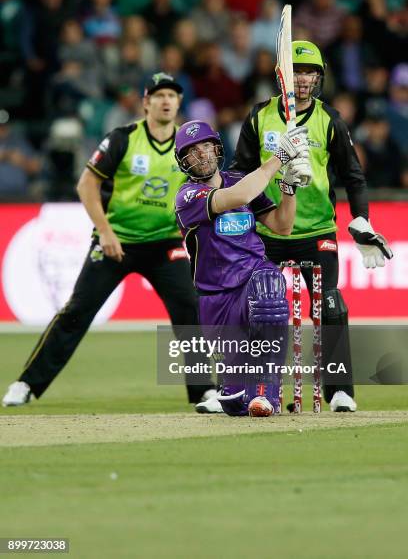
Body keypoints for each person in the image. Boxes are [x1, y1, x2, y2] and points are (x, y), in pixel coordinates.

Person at [198, 39, 392, 414]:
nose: (303, 80)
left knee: (330, 305)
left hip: (316, 230)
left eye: (310, 73)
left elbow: (353, 175)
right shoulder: (259, 116)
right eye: (296, 72)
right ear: (282, 77)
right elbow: (237, 171)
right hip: (268, 230)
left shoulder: (328, 119)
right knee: (247, 309)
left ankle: (340, 390)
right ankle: (234, 391)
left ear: (319, 78)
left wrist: (361, 217)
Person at [2, 73, 216, 408]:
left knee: (189, 308)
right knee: (76, 312)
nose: (165, 101)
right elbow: (86, 185)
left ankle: (204, 390)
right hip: (118, 241)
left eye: (172, 96)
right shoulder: (123, 138)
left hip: (165, 243)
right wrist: (105, 231)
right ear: (145, 102)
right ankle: (26, 384)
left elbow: (209, 187)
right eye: (158, 95)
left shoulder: (188, 145)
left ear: (178, 103)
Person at [174, 119, 312, 415]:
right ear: (183, 161)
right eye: (192, 152)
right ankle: (237, 391)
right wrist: (281, 157)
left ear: (216, 148)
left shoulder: (238, 178)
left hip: (254, 277)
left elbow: (282, 225)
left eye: (206, 147)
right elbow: (238, 197)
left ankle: (266, 394)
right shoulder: (187, 197)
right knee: (236, 403)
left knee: (269, 284)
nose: (202, 155)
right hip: (217, 301)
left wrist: (289, 187)